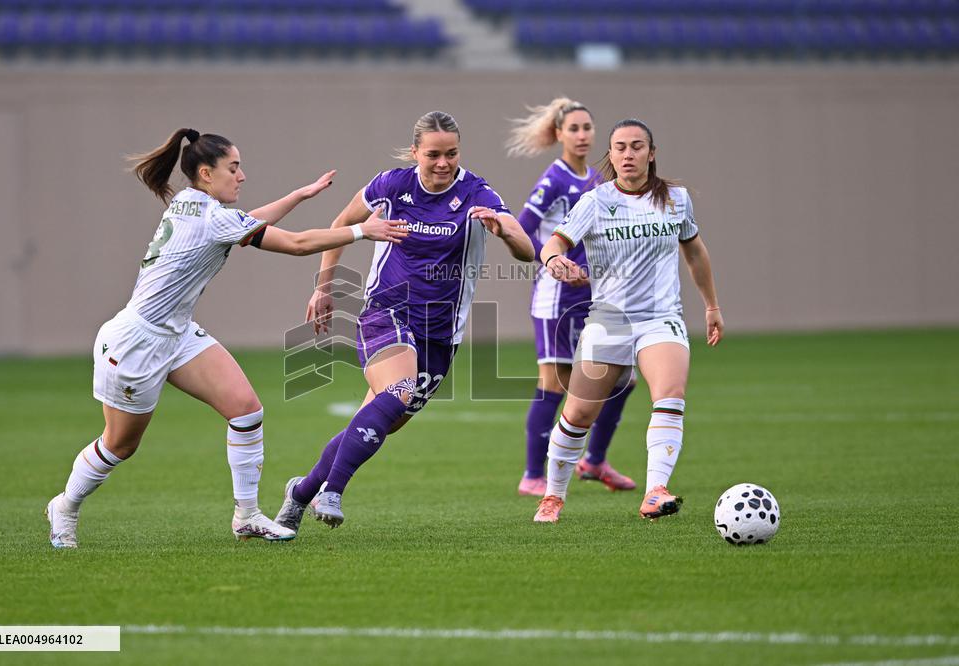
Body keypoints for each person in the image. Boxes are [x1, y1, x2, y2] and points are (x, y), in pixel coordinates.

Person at [44, 128, 408, 548]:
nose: (242, 176)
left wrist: (298, 196)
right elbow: (296, 244)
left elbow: (249, 222)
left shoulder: (192, 202)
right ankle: (65, 506)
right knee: (120, 445)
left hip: (177, 334)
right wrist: (363, 231)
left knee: (246, 410)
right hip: (136, 343)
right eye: (233, 167)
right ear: (205, 172)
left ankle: (247, 515)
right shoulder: (213, 218)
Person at [274, 110, 534, 533]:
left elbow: (526, 249)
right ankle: (332, 492)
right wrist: (324, 286)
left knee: (380, 421)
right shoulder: (391, 185)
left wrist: (503, 230)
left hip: (440, 333)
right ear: (415, 152)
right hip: (386, 311)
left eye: (451, 154)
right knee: (396, 392)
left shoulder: (476, 192)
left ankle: (300, 493)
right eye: (433, 154)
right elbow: (341, 225)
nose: (443, 163)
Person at [532, 118, 724, 523]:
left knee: (670, 397)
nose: (628, 154)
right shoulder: (596, 201)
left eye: (637, 146)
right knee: (579, 414)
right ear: (611, 155)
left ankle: (655, 490)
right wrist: (554, 260)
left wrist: (711, 306)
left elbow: (694, 252)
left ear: (651, 154)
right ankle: (552, 495)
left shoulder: (676, 199)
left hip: (661, 319)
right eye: (619, 147)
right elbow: (555, 241)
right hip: (609, 322)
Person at [507, 97, 638, 498]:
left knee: (623, 378)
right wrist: (554, 263)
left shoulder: (597, 179)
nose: (582, 135)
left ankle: (594, 461)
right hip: (555, 296)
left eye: (587, 128)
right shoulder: (556, 179)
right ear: (559, 134)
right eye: (574, 129)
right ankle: (532, 474)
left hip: (591, 295)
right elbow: (520, 228)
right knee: (555, 383)